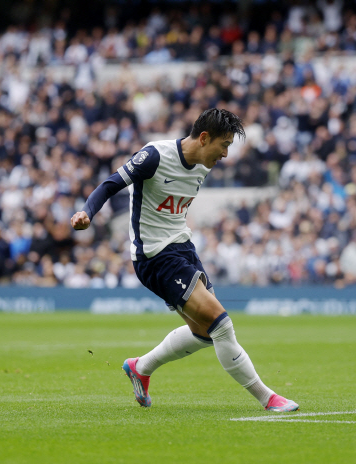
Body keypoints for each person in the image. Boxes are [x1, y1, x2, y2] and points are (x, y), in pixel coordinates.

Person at [70, 108, 299, 412]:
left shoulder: (203, 164)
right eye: (224, 145)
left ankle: (140, 367)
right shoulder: (155, 156)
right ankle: (267, 398)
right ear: (204, 138)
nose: (226, 154)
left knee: (204, 333)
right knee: (221, 325)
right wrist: (88, 212)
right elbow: (110, 184)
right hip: (154, 257)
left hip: (183, 248)